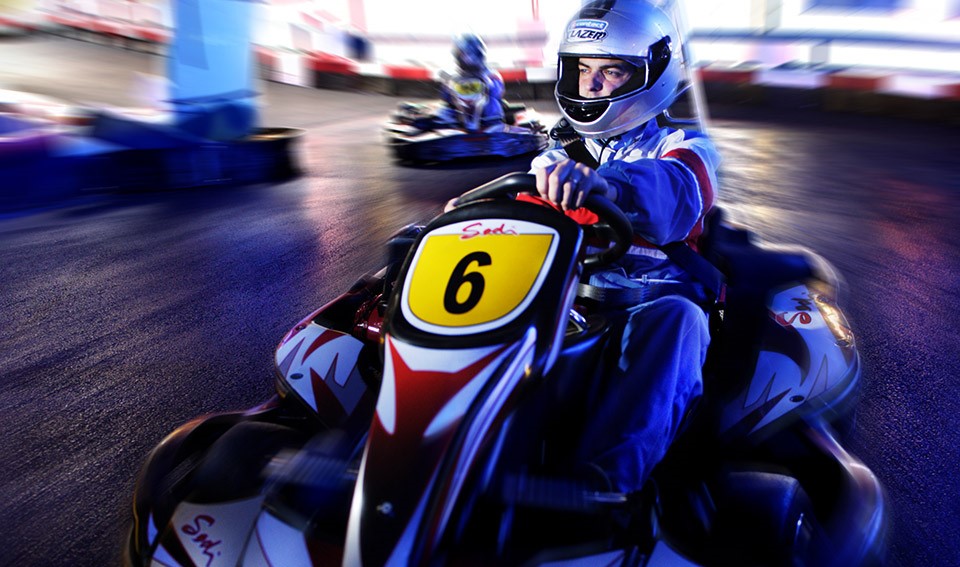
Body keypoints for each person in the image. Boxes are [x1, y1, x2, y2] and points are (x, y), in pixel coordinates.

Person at [527, 0, 722, 496]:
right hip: (569, 301)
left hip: (648, 303)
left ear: (652, 75)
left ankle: (603, 489)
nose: (591, 86)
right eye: (583, 70)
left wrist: (608, 186)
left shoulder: (685, 149)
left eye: (611, 71)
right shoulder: (556, 156)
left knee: (680, 319)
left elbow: (674, 193)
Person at [437, 33, 505, 131]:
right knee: (444, 111)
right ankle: (446, 129)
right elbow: (445, 97)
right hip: (459, 112)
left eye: (468, 54)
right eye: (462, 54)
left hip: (484, 114)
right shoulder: (454, 75)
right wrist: (448, 88)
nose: (467, 58)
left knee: (492, 104)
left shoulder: (490, 74)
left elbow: (497, 90)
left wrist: (488, 84)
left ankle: (494, 126)